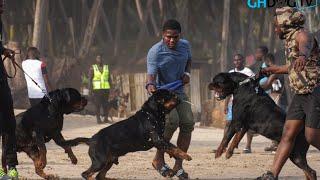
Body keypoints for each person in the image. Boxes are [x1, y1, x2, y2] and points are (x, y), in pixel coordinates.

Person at [258, 7, 320, 179]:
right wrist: (273, 69)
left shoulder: (302, 34)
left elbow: (305, 47)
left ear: (286, 24)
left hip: (314, 91)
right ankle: (272, 174)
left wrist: (302, 56)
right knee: (288, 134)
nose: (275, 29)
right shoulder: (289, 40)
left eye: (277, 26)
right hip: (300, 95)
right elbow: (292, 67)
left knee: (312, 136)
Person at [146, 19, 194, 179]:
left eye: (175, 37)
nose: (172, 40)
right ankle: (158, 159)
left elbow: (189, 60)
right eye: (168, 37)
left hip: (179, 92)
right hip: (162, 94)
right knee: (172, 121)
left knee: (188, 123)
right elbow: (151, 76)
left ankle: (178, 166)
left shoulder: (185, 45)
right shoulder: (155, 51)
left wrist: (187, 74)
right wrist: (150, 85)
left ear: (180, 36)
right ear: (162, 35)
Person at [0, 0, 19, 178]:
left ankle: (10, 166)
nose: (2, 6)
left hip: (1, 80)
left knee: (9, 124)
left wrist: (4, 50)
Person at [224, 54, 255, 154]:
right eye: (235, 60)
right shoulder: (230, 73)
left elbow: (254, 86)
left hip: (246, 103)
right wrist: (226, 105)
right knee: (228, 123)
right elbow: (228, 90)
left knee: (247, 125)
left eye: (239, 60)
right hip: (234, 103)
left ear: (243, 61)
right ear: (233, 62)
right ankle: (225, 145)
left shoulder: (248, 72)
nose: (237, 62)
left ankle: (248, 147)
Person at [260, 53, 286, 152]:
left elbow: (267, 85)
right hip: (280, 97)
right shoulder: (281, 69)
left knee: (276, 121)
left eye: (266, 65)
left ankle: (278, 144)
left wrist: (254, 85)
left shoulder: (274, 71)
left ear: (268, 62)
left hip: (277, 97)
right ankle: (275, 143)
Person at [89, 54, 111, 124]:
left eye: (100, 58)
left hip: (106, 89)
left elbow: (109, 79)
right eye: (98, 58)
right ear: (96, 59)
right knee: (97, 105)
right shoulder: (93, 68)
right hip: (97, 90)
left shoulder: (106, 67)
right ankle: (98, 119)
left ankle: (106, 118)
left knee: (106, 105)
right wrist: (90, 89)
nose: (100, 59)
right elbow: (90, 79)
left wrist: (112, 89)